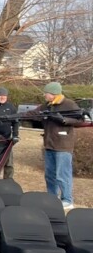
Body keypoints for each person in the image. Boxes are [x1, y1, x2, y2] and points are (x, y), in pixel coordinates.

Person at [35, 81, 83, 209]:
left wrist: (64, 120)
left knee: (62, 174)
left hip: (63, 145)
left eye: (46, 93)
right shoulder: (46, 106)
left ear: (53, 93)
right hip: (49, 144)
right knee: (49, 174)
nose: (44, 95)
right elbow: (32, 114)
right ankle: (52, 198)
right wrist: (14, 117)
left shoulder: (69, 104)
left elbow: (80, 120)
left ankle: (67, 200)